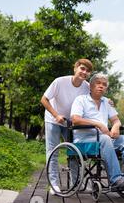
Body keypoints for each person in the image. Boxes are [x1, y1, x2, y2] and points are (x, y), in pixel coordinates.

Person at [71, 73, 124, 191]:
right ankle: (116, 180)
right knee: (105, 138)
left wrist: (115, 126)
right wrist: (98, 124)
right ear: (91, 86)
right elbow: (75, 119)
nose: (101, 86)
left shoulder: (106, 102)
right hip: (85, 141)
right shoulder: (80, 100)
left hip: (104, 139)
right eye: (98, 83)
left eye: (104, 85)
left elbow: (116, 120)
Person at [40, 58, 93, 195]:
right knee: (53, 151)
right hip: (53, 120)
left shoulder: (87, 87)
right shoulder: (60, 81)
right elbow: (44, 99)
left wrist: (108, 101)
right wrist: (56, 115)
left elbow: (96, 99)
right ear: (75, 68)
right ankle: (54, 185)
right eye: (82, 68)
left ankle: (76, 183)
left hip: (71, 123)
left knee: (74, 152)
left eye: (87, 71)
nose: (84, 72)